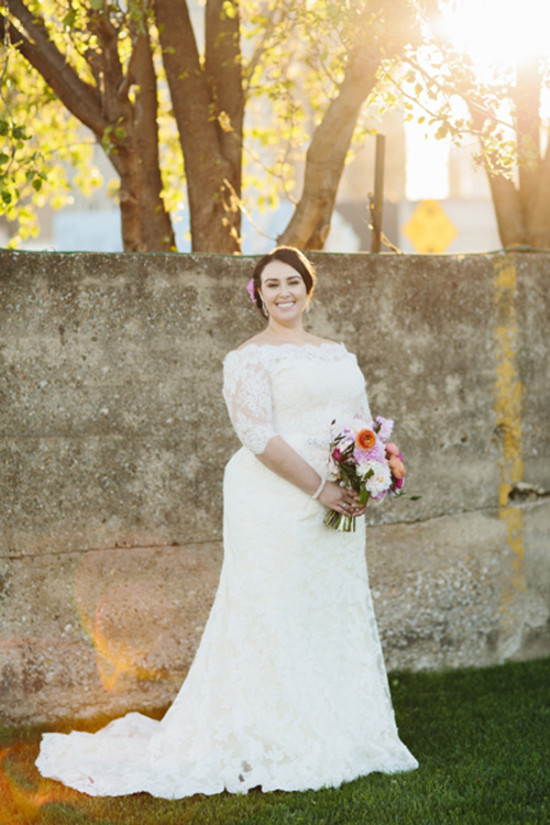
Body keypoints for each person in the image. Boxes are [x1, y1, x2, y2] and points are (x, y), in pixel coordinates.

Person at [35, 246, 418, 798]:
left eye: (292, 282)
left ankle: (337, 727)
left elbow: (361, 421)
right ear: (258, 296)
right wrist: (321, 490)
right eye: (271, 285)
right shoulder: (248, 357)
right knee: (274, 608)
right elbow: (258, 436)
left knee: (326, 607)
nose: (283, 293)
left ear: (310, 289)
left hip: (341, 495)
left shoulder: (336, 352)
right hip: (275, 497)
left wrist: (372, 470)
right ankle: (269, 733)